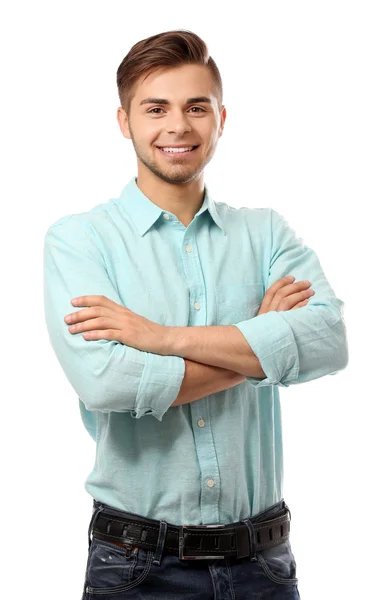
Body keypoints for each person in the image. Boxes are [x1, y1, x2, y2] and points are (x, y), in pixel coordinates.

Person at [43, 29, 348, 600]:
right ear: (124, 120)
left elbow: (329, 340)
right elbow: (106, 380)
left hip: (265, 565)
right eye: (155, 108)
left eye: (196, 107)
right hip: (135, 564)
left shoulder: (266, 233)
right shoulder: (80, 240)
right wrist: (260, 343)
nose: (178, 126)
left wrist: (158, 337)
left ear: (221, 118)